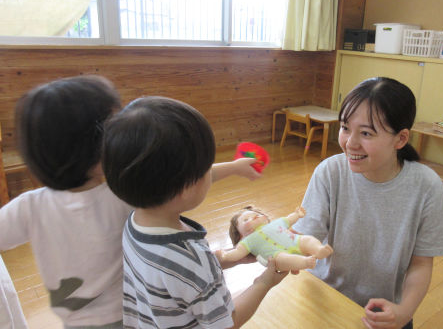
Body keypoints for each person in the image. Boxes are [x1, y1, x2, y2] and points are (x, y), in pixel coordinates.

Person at [0, 76, 260, 329]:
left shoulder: (28, 205)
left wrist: (234, 167)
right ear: (101, 147)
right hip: (133, 312)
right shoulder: (118, 192)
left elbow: (184, 179)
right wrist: (234, 168)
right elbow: (182, 181)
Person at [102, 96, 288, 329]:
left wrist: (234, 167)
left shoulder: (135, 223)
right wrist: (264, 282)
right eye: (204, 168)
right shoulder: (192, 260)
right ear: (185, 187)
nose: (209, 173)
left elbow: (181, 281)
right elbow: (227, 323)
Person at [292, 77, 443, 329]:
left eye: (366, 133)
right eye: (345, 127)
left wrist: (404, 312)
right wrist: (271, 241)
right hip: (324, 296)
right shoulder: (330, 172)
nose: (350, 143)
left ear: (400, 139)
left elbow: (421, 264)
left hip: (385, 312)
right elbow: (303, 237)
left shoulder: (426, 186)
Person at [222, 205, 333, 270]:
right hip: (276, 255)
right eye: (246, 220)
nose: (253, 217)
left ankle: (319, 250)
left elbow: (289, 219)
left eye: (255, 214)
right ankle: (305, 262)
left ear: (265, 218)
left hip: (295, 241)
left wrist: (297, 215)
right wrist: (225, 256)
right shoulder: (246, 242)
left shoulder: (274, 224)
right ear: (240, 235)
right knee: (282, 259)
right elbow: (237, 253)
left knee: (307, 239)